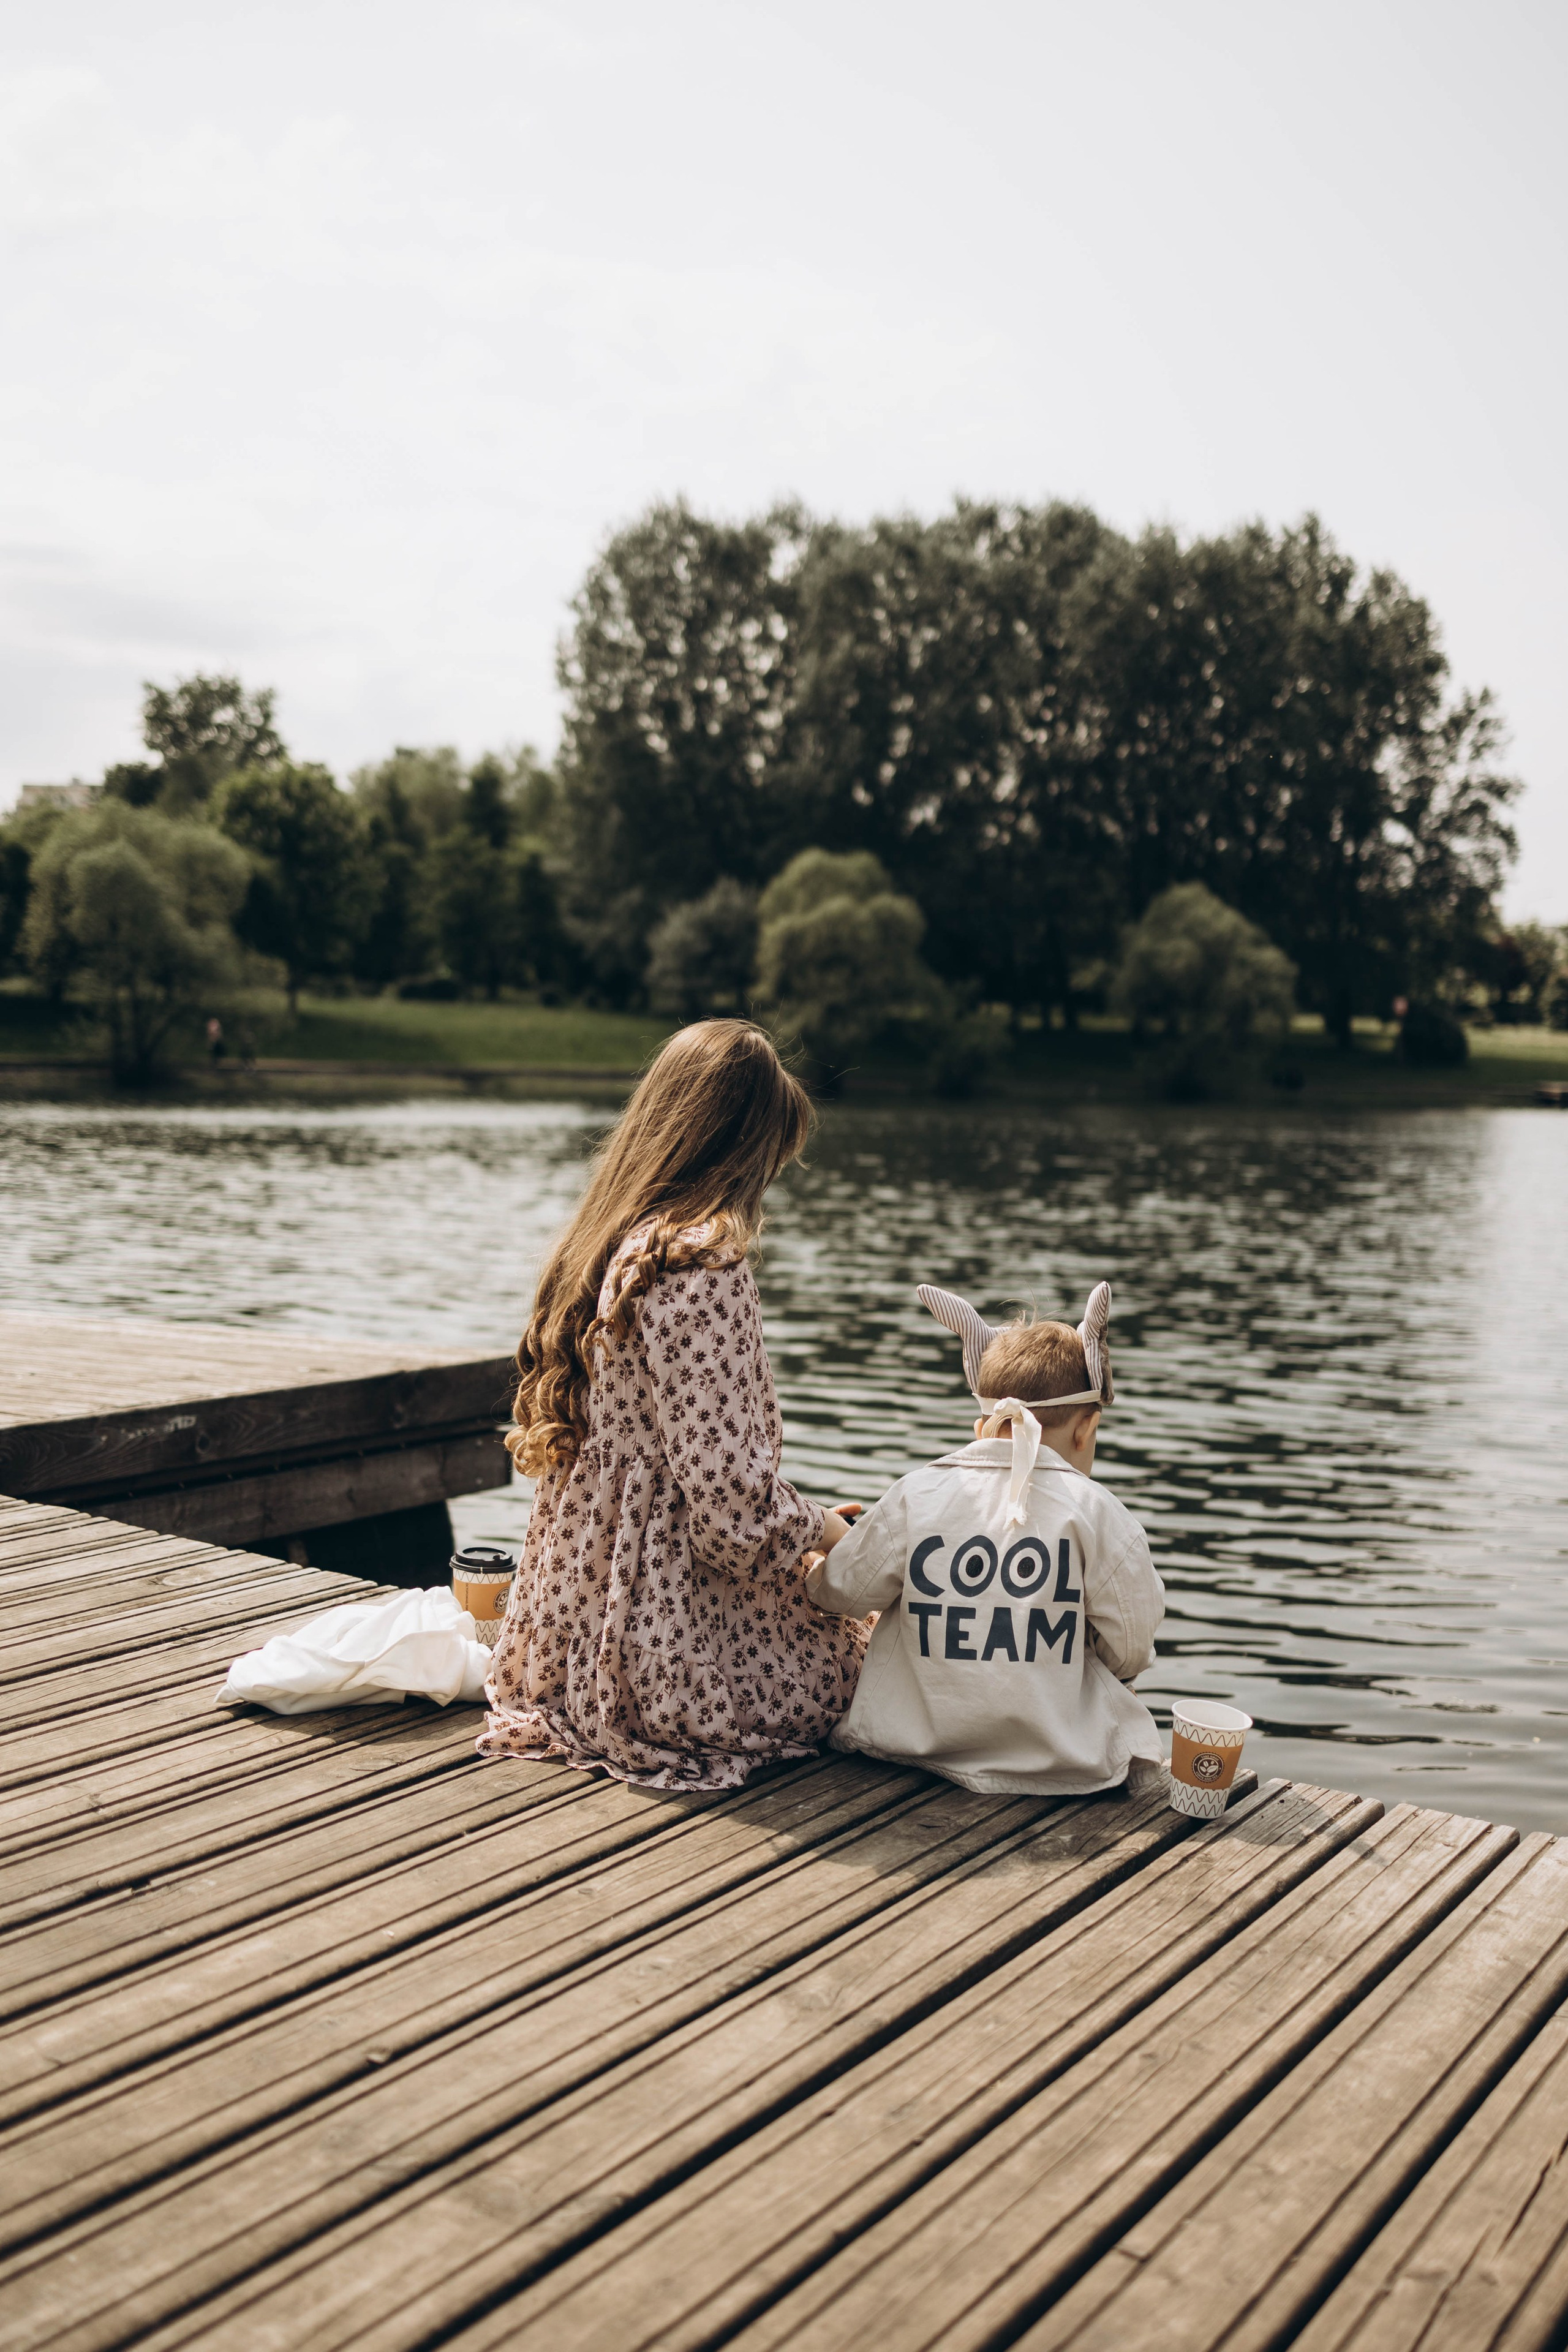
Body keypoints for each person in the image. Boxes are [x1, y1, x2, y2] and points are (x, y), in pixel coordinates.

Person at [478, 1020, 868, 1790]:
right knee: (870, 1657)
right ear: (743, 1150)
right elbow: (729, 1515)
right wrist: (832, 1530)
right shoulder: (701, 1270)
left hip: (564, 1644)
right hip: (661, 1662)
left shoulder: (606, 1246)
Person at [805, 1280, 1164, 1796]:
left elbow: (837, 1595)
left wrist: (829, 1543)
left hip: (907, 1750)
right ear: (1086, 1428)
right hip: (1058, 1765)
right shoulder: (1101, 1513)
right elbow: (1131, 1648)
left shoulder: (917, 1492)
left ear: (983, 1423)